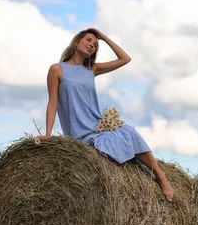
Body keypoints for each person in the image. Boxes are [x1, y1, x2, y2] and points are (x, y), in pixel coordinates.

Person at [34, 28, 175, 202]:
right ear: (77, 42)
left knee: (129, 131)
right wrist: (48, 134)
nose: (92, 45)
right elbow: (53, 103)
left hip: (99, 125)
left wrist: (105, 38)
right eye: (88, 40)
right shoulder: (57, 70)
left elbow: (125, 59)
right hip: (81, 133)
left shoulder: (92, 69)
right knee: (117, 142)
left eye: (95, 45)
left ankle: (161, 177)